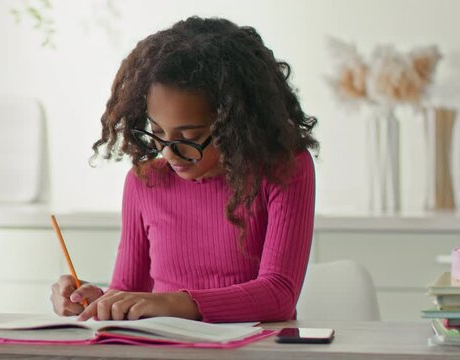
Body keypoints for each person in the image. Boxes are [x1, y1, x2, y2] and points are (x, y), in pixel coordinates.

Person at [50, 16, 318, 323]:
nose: (168, 151)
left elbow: (278, 296)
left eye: (189, 137)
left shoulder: (284, 169)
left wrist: (170, 303)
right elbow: (129, 290)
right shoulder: (145, 182)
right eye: (157, 132)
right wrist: (100, 302)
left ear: (236, 126)